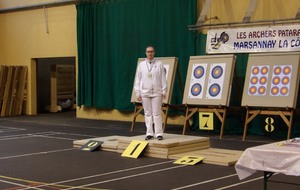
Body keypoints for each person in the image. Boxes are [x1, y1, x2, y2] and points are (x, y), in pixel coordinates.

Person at [134, 45, 167, 140]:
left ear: (154, 52)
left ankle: (159, 134)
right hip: (145, 92)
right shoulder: (141, 65)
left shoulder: (160, 64)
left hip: (157, 92)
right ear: (145, 53)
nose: (150, 53)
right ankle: (149, 133)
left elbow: (163, 78)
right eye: (148, 52)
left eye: (151, 51)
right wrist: (138, 92)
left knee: (156, 113)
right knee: (147, 113)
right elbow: (138, 79)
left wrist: (164, 90)